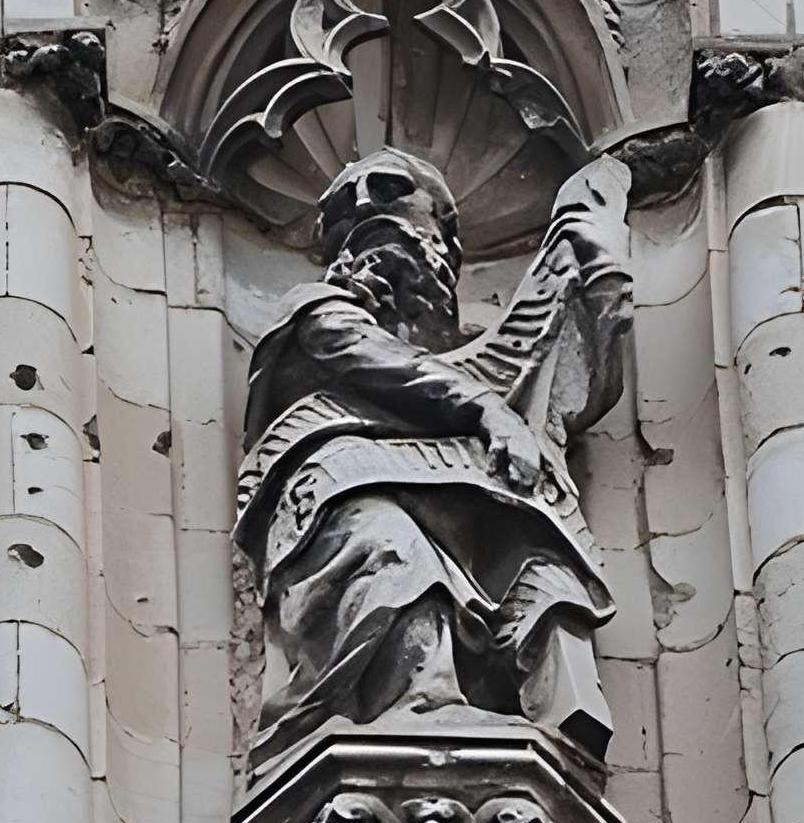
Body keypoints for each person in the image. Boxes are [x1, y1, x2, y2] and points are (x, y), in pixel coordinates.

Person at [235, 147, 630, 759]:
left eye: (389, 187)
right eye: (343, 204)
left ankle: (560, 713)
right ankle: (421, 700)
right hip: (343, 490)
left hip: (454, 496)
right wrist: (487, 410)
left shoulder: (484, 359)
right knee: (389, 547)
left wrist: (591, 253)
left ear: (441, 232)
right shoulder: (315, 313)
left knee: (541, 557)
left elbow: (569, 387)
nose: (364, 202)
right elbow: (376, 362)